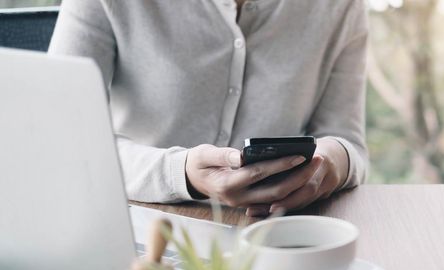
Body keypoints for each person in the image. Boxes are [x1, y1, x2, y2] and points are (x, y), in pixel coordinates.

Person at [49, 0, 369, 216]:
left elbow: (346, 141)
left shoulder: (341, 6)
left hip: (273, 235)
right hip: (136, 225)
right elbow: (59, 140)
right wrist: (180, 173)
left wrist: (331, 164)